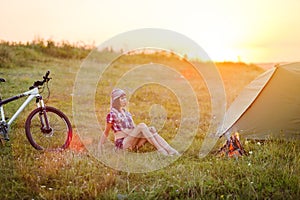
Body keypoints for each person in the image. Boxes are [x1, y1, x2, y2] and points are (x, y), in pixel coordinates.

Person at [99, 88, 179, 156]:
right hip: (122, 144)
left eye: (125, 98)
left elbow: (134, 128)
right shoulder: (112, 114)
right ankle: (161, 150)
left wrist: (148, 129)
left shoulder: (127, 113)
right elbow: (106, 132)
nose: (125, 100)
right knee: (142, 125)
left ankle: (170, 149)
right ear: (116, 101)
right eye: (122, 98)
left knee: (150, 129)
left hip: (133, 143)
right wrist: (100, 147)